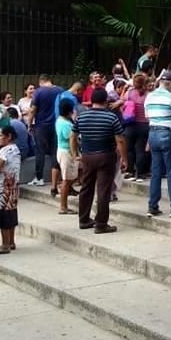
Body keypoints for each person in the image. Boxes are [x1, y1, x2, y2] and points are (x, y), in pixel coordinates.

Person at [71, 88, 128, 233]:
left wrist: (75, 153)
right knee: (103, 190)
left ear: (92, 101)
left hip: (87, 156)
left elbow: (73, 136)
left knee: (86, 188)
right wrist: (124, 159)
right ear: (106, 101)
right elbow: (120, 140)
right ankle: (101, 223)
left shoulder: (81, 116)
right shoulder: (111, 117)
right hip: (106, 156)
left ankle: (83, 220)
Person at [145, 70, 171, 218]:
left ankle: (153, 205)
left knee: (155, 172)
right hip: (168, 133)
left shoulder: (149, 96)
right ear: (170, 84)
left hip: (153, 133)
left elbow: (147, 116)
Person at [0, 126, 21, 254]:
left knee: (3, 215)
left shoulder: (5, 151)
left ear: (9, 136)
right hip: (12, 187)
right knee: (10, 212)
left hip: (2, 188)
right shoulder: (15, 150)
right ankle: (11, 241)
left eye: (0, 135)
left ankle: (5, 244)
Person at [28, 75, 63, 187]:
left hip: (41, 125)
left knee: (40, 151)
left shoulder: (38, 92)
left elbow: (33, 109)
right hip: (57, 125)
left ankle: (39, 178)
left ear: (41, 81)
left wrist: (29, 123)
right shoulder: (60, 90)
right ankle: (56, 178)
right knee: (55, 151)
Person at [122, 74, 150, 181]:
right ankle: (141, 173)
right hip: (144, 125)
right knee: (141, 150)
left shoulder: (129, 93)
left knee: (129, 149)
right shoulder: (148, 95)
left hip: (130, 124)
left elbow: (123, 104)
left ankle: (130, 171)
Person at [55, 98, 79, 214]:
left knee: (71, 177)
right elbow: (71, 138)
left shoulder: (60, 120)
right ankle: (63, 206)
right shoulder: (65, 124)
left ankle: (63, 194)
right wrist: (75, 154)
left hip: (64, 151)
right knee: (67, 179)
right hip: (66, 152)